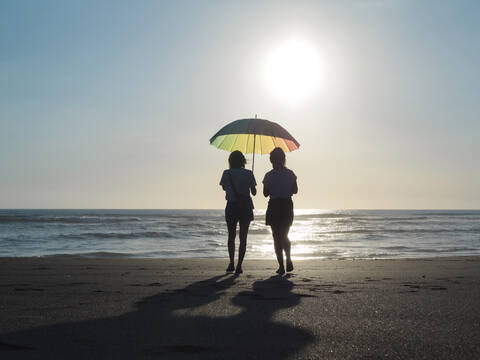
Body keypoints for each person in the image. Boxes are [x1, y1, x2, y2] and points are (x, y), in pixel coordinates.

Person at [220, 150, 257, 275]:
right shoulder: (248, 173)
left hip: (231, 206)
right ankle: (239, 265)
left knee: (231, 236)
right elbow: (254, 193)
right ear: (243, 161)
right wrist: (250, 179)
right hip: (245, 206)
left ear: (230, 161)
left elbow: (224, 188)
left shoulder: (226, 173)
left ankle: (231, 262)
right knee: (243, 237)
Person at [263, 147, 298, 275]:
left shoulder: (268, 175)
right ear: (284, 159)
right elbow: (295, 191)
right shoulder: (290, 174)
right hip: (287, 205)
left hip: (274, 205)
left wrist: (273, 187)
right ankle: (288, 258)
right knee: (284, 235)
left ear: (271, 160)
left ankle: (281, 266)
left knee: (276, 237)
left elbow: (265, 193)